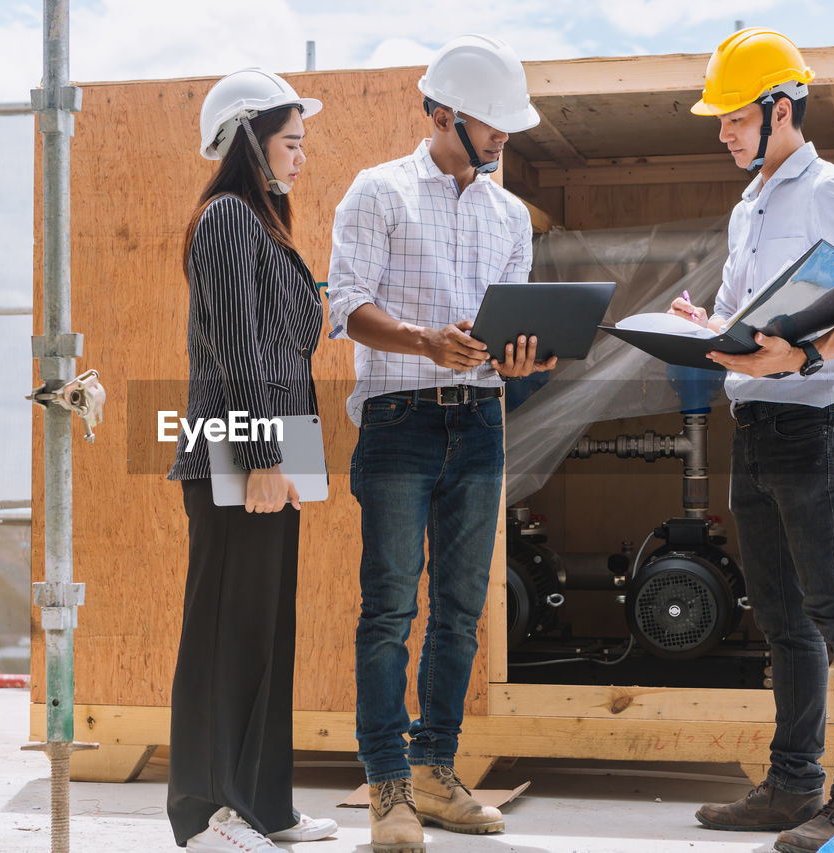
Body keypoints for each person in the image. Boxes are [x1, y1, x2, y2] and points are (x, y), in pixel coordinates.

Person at [668, 28, 834, 853]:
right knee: (779, 614)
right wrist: (702, 326)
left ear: (779, 109)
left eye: (733, 117)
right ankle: (794, 782)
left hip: (819, 423)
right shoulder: (750, 204)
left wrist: (804, 351)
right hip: (759, 425)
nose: (723, 133)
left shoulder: (830, 191)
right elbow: (743, 311)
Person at [326, 33, 554, 853]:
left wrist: (529, 355)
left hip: (481, 420)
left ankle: (435, 771)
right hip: (398, 420)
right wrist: (425, 342)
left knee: (460, 612)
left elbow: (515, 323)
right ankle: (388, 785)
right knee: (390, 608)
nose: (502, 138)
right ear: (442, 115)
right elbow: (346, 305)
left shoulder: (510, 215)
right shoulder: (377, 192)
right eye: (490, 124)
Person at [165, 67, 338, 852]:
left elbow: (281, 344)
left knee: (266, 632)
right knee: (224, 632)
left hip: (271, 448)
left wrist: (290, 460)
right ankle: (202, 812)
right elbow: (234, 346)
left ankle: (266, 806)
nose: (302, 157)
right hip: (238, 449)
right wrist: (265, 453)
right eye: (291, 141)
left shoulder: (263, 224)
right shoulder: (230, 219)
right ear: (249, 140)